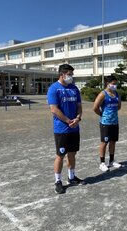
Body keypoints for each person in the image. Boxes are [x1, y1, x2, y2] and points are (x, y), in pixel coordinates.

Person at [47, 64, 86, 194]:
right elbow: (54, 109)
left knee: (72, 154)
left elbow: (79, 106)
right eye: (69, 74)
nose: (71, 77)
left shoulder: (74, 89)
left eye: (72, 74)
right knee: (60, 155)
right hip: (61, 129)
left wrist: (78, 118)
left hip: (74, 128)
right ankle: (58, 181)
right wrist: (68, 121)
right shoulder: (54, 89)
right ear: (62, 74)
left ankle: (71, 177)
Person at [93, 75, 122, 172]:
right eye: (113, 84)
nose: (115, 85)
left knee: (113, 142)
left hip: (115, 121)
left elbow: (119, 106)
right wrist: (102, 114)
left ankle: (112, 161)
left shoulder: (116, 94)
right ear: (107, 84)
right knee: (104, 142)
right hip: (105, 122)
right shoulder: (103, 94)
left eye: (115, 84)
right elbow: (95, 107)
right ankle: (102, 163)